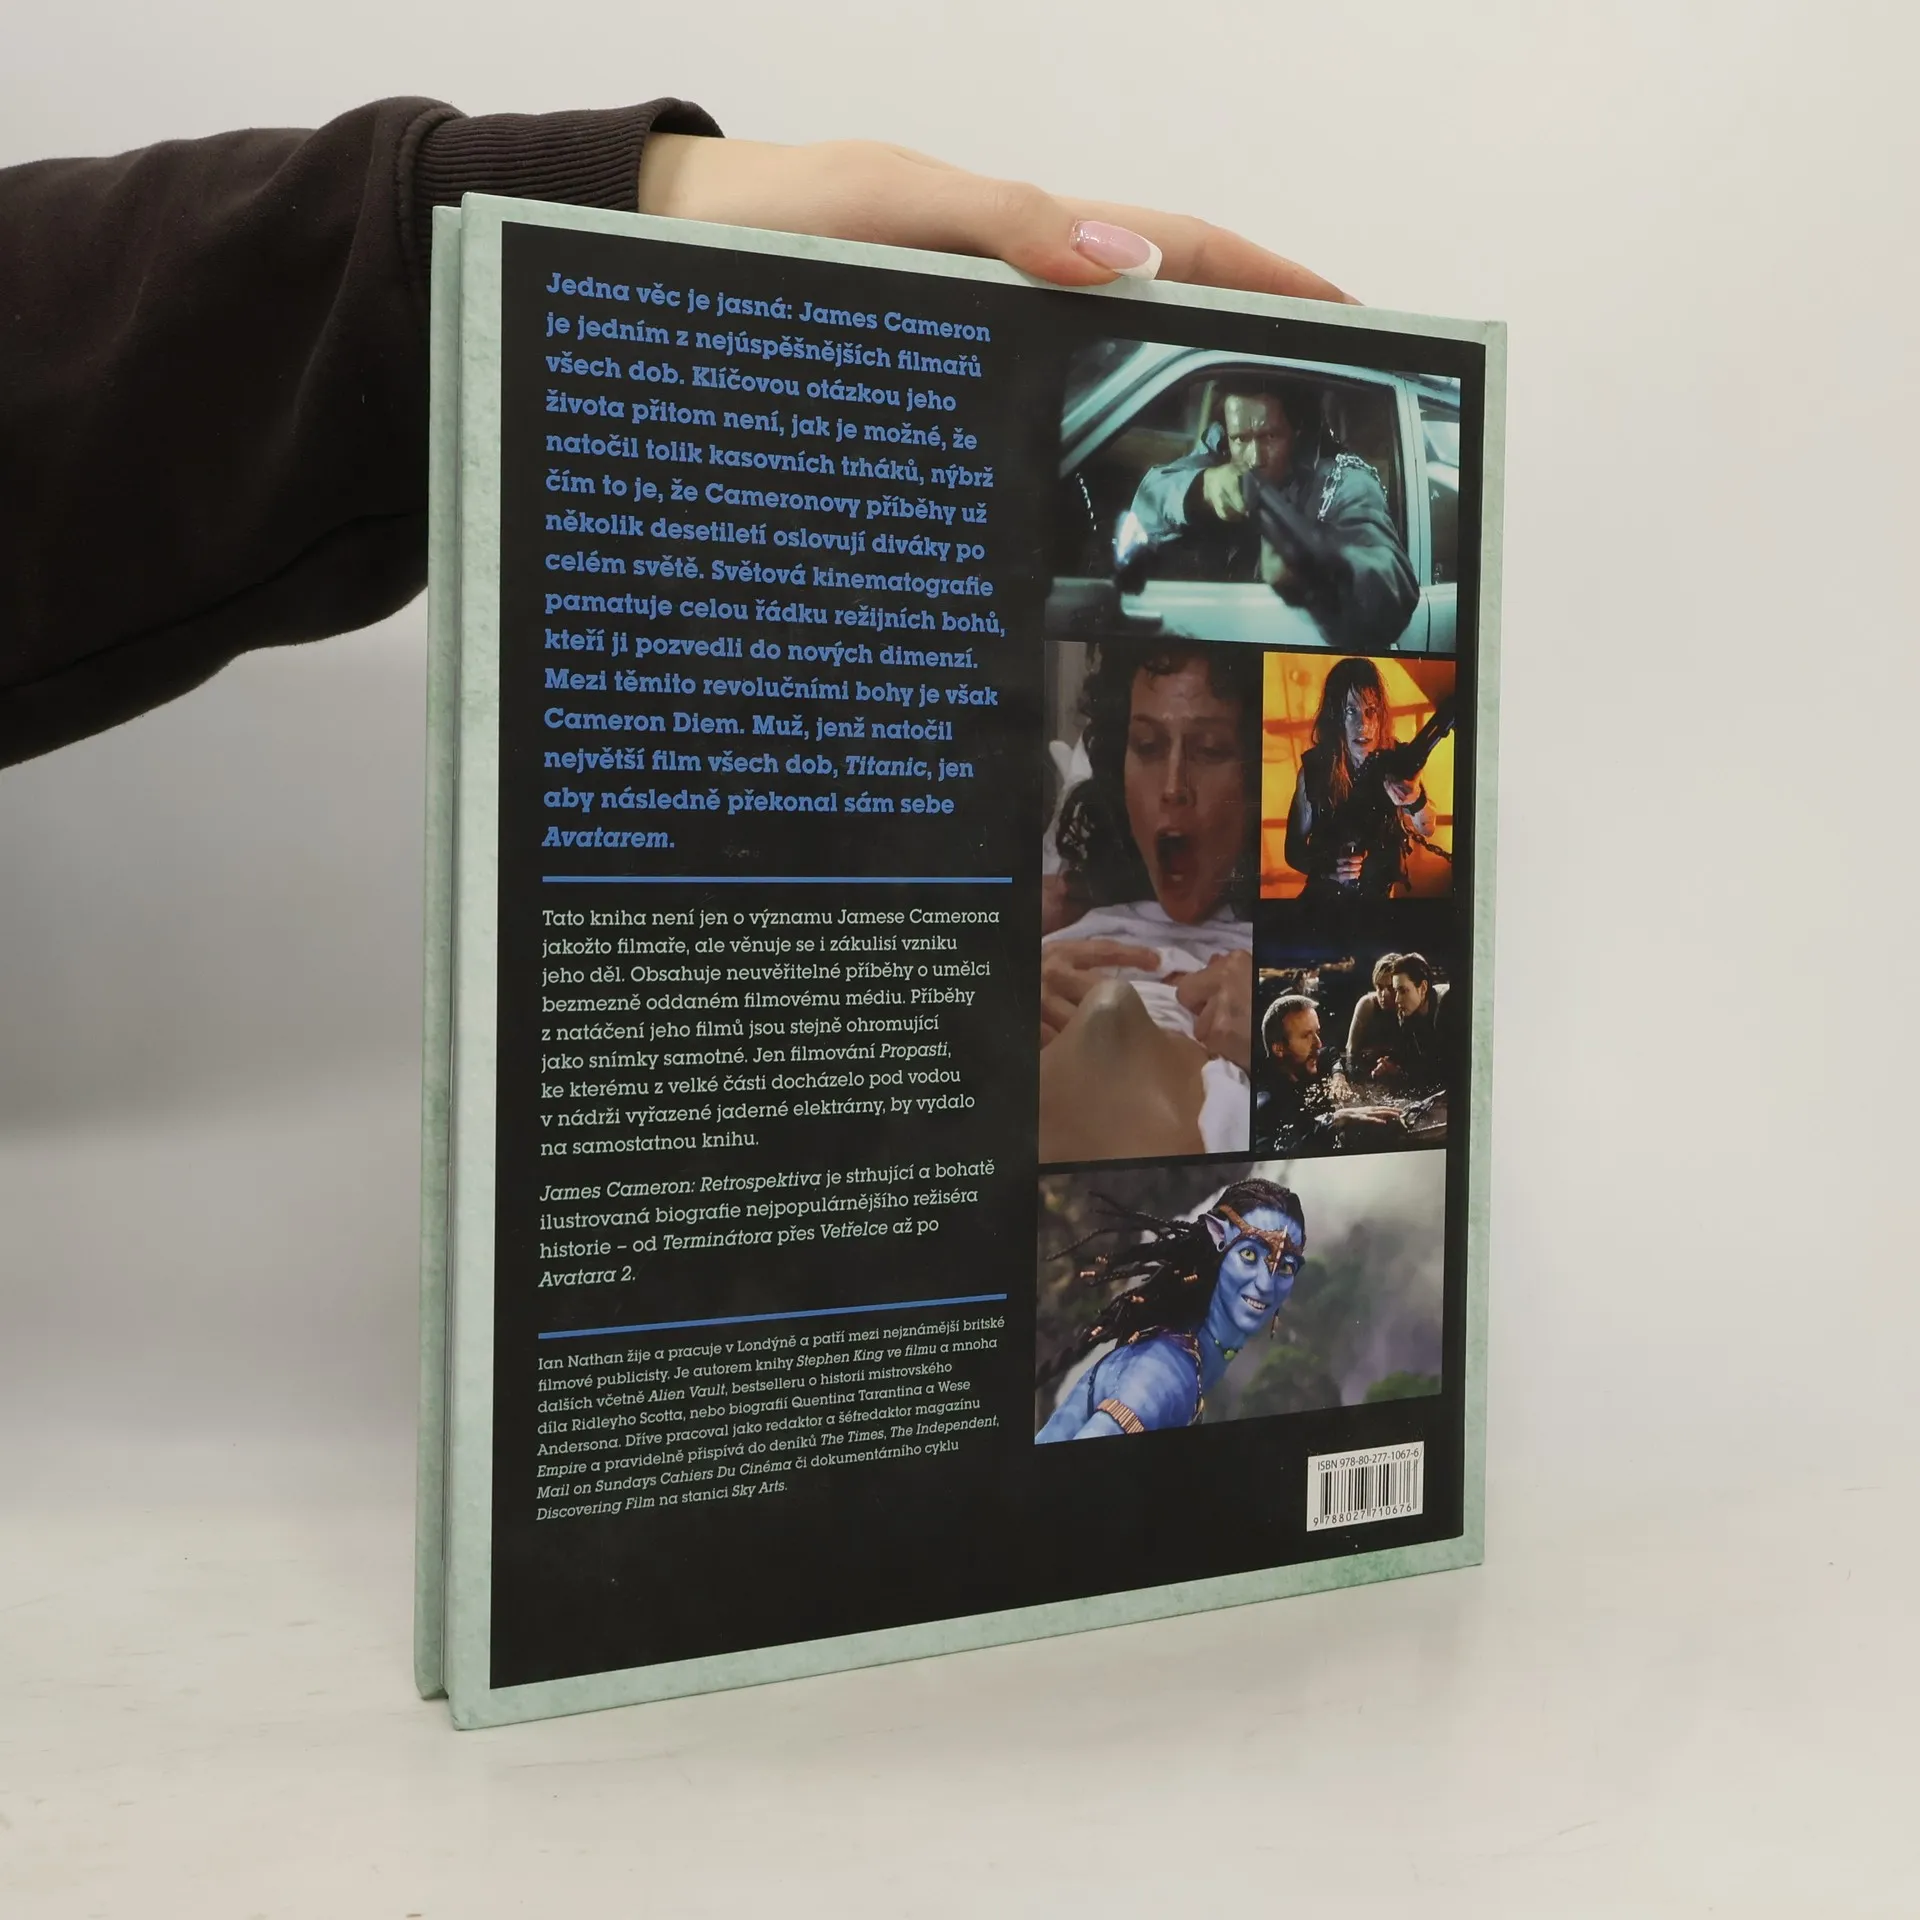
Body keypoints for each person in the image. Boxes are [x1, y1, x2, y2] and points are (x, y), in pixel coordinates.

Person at [0, 111, 1350, 768]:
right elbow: (1121, 541)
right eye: (1229, 426)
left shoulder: (1345, 496)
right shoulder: (1184, 484)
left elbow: (1369, 593)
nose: (1242, 449)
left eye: (1264, 435)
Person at [1040, 639, 1259, 1158]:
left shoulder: (1303, 946)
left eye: (1210, 750)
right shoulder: (1066, 915)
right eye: (1147, 745)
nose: (1172, 787)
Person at [1117, 381, 1417, 651]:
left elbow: (1389, 582)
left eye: (1270, 436)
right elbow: (1150, 499)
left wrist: (1321, 572)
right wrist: (1201, 489)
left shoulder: (1348, 482)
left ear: (1297, 431)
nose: (1254, 458)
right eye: (1240, 439)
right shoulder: (1217, 453)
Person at [1036, 1177, 1305, 1439]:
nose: (1265, 1284)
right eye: (1249, 1255)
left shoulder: (1188, 1354)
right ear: (1217, 1238)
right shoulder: (1165, 1373)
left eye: (1285, 1267)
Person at [1284, 657, 1439, 899]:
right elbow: (1293, 850)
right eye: (1351, 711)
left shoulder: (1397, 761)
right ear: (1335, 716)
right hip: (1324, 901)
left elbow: (1428, 828)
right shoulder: (1314, 770)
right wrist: (1329, 869)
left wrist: (1415, 798)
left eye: (1371, 711)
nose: (1362, 724)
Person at [1373, 952, 1451, 1094]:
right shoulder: (1407, 1015)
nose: (1397, 999)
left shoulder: (1446, 1007)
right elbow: (1417, 1063)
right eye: (1396, 991)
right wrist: (1393, 1067)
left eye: (1403, 991)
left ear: (1423, 988)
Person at [1340, 953, 1402, 1083]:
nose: (1384, 995)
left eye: (1390, 988)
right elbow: (1351, 1052)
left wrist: (1396, 1070)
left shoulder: (1407, 1007)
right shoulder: (1368, 1005)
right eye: (1380, 987)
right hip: (1367, 1070)